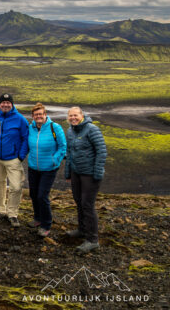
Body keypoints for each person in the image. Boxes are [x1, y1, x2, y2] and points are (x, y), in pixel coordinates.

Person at [65, 106, 107, 254]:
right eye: (70, 116)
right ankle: (82, 230)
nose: (73, 118)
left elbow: (101, 151)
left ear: (82, 115)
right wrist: (68, 173)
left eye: (75, 115)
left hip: (90, 174)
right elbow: (69, 153)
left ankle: (92, 240)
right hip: (76, 173)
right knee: (78, 202)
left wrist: (97, 173)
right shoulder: (70, 131)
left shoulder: (92, 129)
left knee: (87, 205)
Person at [0, 93, 29, 227]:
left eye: (8, 102)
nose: (5, 104)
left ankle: (12, 213)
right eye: (3, 102)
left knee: (16, 186)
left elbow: (25, 138)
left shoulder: (20, 119)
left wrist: (20, 156)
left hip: (13, 159)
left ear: (12, 104)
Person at [27, 103, 67, 237]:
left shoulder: (55, 127)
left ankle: (46, 224)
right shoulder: (30, 128)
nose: (38, 116)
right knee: (33, 194)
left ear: (45, 115)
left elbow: (62, 147)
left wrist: (55, 160)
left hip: (49, 169)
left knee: (42, 196)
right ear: (33, 116)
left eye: (41, 114)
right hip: (33, 167)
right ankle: (38, 218)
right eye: (36, 114)